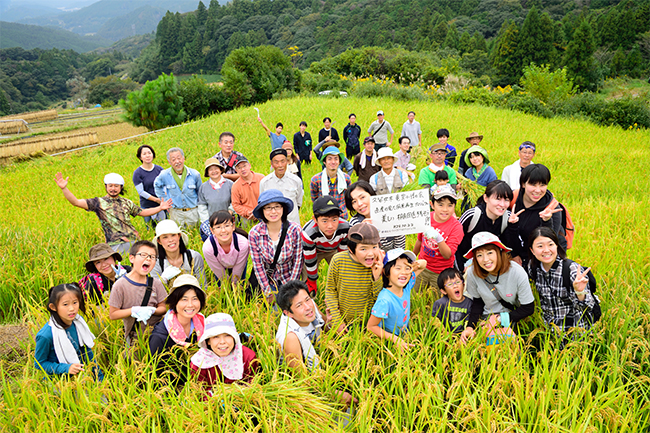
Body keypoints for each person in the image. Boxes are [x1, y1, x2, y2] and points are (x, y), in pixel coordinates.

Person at [275, 281, 357, 408]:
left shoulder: (312, 307)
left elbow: (325, 327)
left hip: (321, 366)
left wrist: (330, 324)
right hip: (305, 385)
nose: (308, 307)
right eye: (299, 305)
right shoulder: (290, 337)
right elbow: (301, 380)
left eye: (307, 299)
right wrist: (333, 393)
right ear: (288, 313)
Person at [54, 172, 171, 254]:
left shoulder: (126, 202)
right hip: (114, 244)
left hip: (133, 241)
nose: (113, 188)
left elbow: (143, 212)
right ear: (106, 187)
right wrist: (64, 188)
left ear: (121, 188)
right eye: (110, 186)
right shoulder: (98, 202)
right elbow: (76, 202)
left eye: (116, 186)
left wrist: (160, 208)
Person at [460, 232, 535, 344]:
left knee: (504, 341)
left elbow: (528, 307)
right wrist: (470, 327)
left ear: (499, 252)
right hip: (486, 318)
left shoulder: (516, 272)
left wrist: (500, 319)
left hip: (513, 316)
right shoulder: (473, 272)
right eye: (479, 255)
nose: (485, 259)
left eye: (490, 253)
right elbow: (478, 302)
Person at [527, 227, 598, 334]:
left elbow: (588, 307)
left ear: (556, 246)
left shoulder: (571, 269)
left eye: (550, 244)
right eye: (540, 246)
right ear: (532, 250)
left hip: (575, 330)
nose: (546, 250)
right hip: (549, 331)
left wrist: (580, 292)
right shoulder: (533, 269)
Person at [34, 283, 103, 380]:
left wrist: (99, 378)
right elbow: (39, 363)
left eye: (75, 302)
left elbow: (87, 353)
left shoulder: (78, 323)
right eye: (65, 304)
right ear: (53, 307)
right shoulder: (46, 335)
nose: (72, 308)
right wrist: (66, 368)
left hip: (81, 376)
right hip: (58, 381)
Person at [325, 223, 384, 335]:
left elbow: (380, 300)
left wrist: (377, 278)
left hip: (369, 324)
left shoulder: (379, 264)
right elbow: (330, 290)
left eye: (374, 247)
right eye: (363, 249)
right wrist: (337, 320)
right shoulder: (338, 260)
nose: (370, 254)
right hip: (343, 321)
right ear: (351, 249)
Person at [149, 274, 206, 387]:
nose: (190, 305)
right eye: (184, 299)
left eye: (195, 299)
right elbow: (159, 376)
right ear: (175, 302)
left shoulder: (202, 324)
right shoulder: (160, 337)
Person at [249, 189, 304, 303]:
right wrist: (268, 291)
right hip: (270, 280)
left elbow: (298, 261)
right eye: (268, 207)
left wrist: (291, 289)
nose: (273, 211)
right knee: (275, 314)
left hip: (290, 278)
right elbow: (258, 266)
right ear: (262, 211)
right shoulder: (255, 233)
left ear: (283, 209)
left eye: (277, 206)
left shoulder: (295, 230)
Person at [108, 240, 167, 345]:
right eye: (143, 255)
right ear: (132, 258)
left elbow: (163, 307)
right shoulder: (120, 285)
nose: (148, 258)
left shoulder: (156, 283)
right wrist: (135, 310)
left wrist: (152, 310)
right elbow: (113, 314)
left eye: (152, 257)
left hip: (158, 336)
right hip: (135, 340)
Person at [456, 180, 523, 272]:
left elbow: (511, 247)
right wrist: (460, 268)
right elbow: (454, 244)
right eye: (498, 199)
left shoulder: (508, 217)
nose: (502, 204)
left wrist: (513, 226)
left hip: (490, 264)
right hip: (466, 264)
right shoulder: (472, 215)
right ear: (486, 198)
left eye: (506, 200)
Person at [367, 249, 426, 350]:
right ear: (386, 272)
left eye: (407, 268)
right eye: (398, 268)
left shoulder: (406, 287)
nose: (403, 272)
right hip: (388, 343)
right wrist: (395, 339)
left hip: (404, 337)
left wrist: (415, 264)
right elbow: (371, 327)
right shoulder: (385, 300)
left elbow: (424, 264)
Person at [191, 313, 258, 394]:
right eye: (216, 337)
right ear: (208, 341)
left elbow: (251, 386)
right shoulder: (199, 362)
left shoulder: (247, 357)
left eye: (227, 335)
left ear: (234, 337)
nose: (222, 342)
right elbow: (198, 391)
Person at [512, 164, 565, 266]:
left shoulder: (552, 208)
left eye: (542, 185)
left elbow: (548, 242)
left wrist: (547, 221)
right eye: (533, 184)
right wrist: (513, 254)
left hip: (544, 256)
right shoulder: (512, 199)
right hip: (519, 251)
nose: (537, 190)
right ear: (523, 184)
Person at [413, 185, 463, 293]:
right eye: (440, 205)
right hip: (422, 266)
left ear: (454, 206)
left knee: (436, 302)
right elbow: (419, 240)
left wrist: (439, 239)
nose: (445, 209)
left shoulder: (456, 227)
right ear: (432, 205)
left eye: (450, 205)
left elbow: (447, 255)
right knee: (414, 295)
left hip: (441, 272)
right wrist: (411, 258)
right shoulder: (427, 218)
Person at [302, 196, 350, 296]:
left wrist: (342, 273)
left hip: (334, 250)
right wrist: (312, 279)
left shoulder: (346, 228)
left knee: (344, 275)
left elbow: (343, 255)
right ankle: (310, 302)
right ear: (315, 219)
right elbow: (310, 259)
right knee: (306, 279)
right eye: (324, 221)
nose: (330, 226)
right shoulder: (309, 233)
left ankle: (340, 298)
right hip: (315, 251)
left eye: (334, 220)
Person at [369, 147, 409, 251]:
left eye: (388, 158)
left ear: (392, 160)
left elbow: (407, 196)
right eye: (383, 159)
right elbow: (372, 200)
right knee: (383, 247)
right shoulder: (374, 178)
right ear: (380, 162)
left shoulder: (402, 175)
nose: (386, 161)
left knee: (399, 248)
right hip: (382, 219)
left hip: (400, 218)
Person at [153, 147, 203, 228]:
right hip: (176, 212)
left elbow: (200, 192)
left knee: (195, 233)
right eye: (173, 159)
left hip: (193, 211)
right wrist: (165, 200)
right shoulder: (164, 175)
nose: (177, 162)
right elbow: (157, 186)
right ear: (169, 162)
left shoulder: (194, 174)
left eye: (179, 158)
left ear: (183, 158)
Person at [150, 219, 206, 287]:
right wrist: (163, 279)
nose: (170, 240)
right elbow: (155, 291)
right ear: (159, 241)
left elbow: (203, 285)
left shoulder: (194, 256)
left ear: (179, 236)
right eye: (165, 237)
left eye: (173, 235)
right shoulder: (156, 263)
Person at [202, 210, 250, 287]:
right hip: (220, 266)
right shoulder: (208, 247)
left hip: (238, 263)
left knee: (240, 287)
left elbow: (239, 267)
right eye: (218, 227)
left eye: (227, 226)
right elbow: (217, 269)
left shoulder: (243, 243)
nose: (223, 230)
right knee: (222, 288)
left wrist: (234, 284)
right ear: (212, 230)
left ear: (233, 227)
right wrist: (227, 285)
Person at [259, 148, 303, 226]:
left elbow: (299, 202)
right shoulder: (265, 182)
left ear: (287, 162)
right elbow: (262, 204)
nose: (280, 165)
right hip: (273, 225)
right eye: (276, 162)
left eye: (283, 161)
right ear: (272, 164)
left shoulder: (296, 180)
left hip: (292, 224)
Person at [310, 146, 352, 219]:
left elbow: (348, 198)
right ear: (324, 162)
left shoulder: (346, 178)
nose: (333, 162)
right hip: (324, 217)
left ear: (339, 162)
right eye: (329, 159)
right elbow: (315, 200)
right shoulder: (316, 180)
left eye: (336, 159)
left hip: (341, 216)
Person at [197, 158, 233, 241]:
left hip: (229, 220)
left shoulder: (230, 184)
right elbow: (202, 206)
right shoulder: (203, 187)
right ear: (208, 173)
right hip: (212, 222)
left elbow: (235, 201)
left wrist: (230, 212)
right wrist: (207, 221)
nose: (214, 171)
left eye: (216, 168)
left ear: (220, 170)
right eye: (211, 170)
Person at [431, 268, 472, 334]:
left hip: (463, 337)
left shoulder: (469, 303)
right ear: (443, 291)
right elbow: (434, 321)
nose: (455, 286)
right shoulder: (440, 303)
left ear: (463, 285)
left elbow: (469, 323)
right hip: (444, 338)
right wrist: (445, 333)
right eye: (450, 284)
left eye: (458, 282)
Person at [132, 144, 165, 226]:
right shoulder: (137, 173)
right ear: (140, 157)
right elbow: (141, 192)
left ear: (153, 154)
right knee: (150, 228)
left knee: (164, 227)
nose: (147, 155)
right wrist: (156, 199)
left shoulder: (159, 169)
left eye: (149, 153)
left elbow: (165, 185)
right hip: (147, 206)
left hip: (162, 204)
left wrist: (163, 198)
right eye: (144, 154)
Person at [231, 156, 264, 227]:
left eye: (244, 166)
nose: (242, 169)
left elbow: (268, 196)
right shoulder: (235, 186)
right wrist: (248, 212)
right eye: (239, 168)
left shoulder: (261, 178)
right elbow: (235, 204)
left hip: (263, 212)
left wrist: (259, 211)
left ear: (249, 166)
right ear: (236, 170)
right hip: (247, 216)